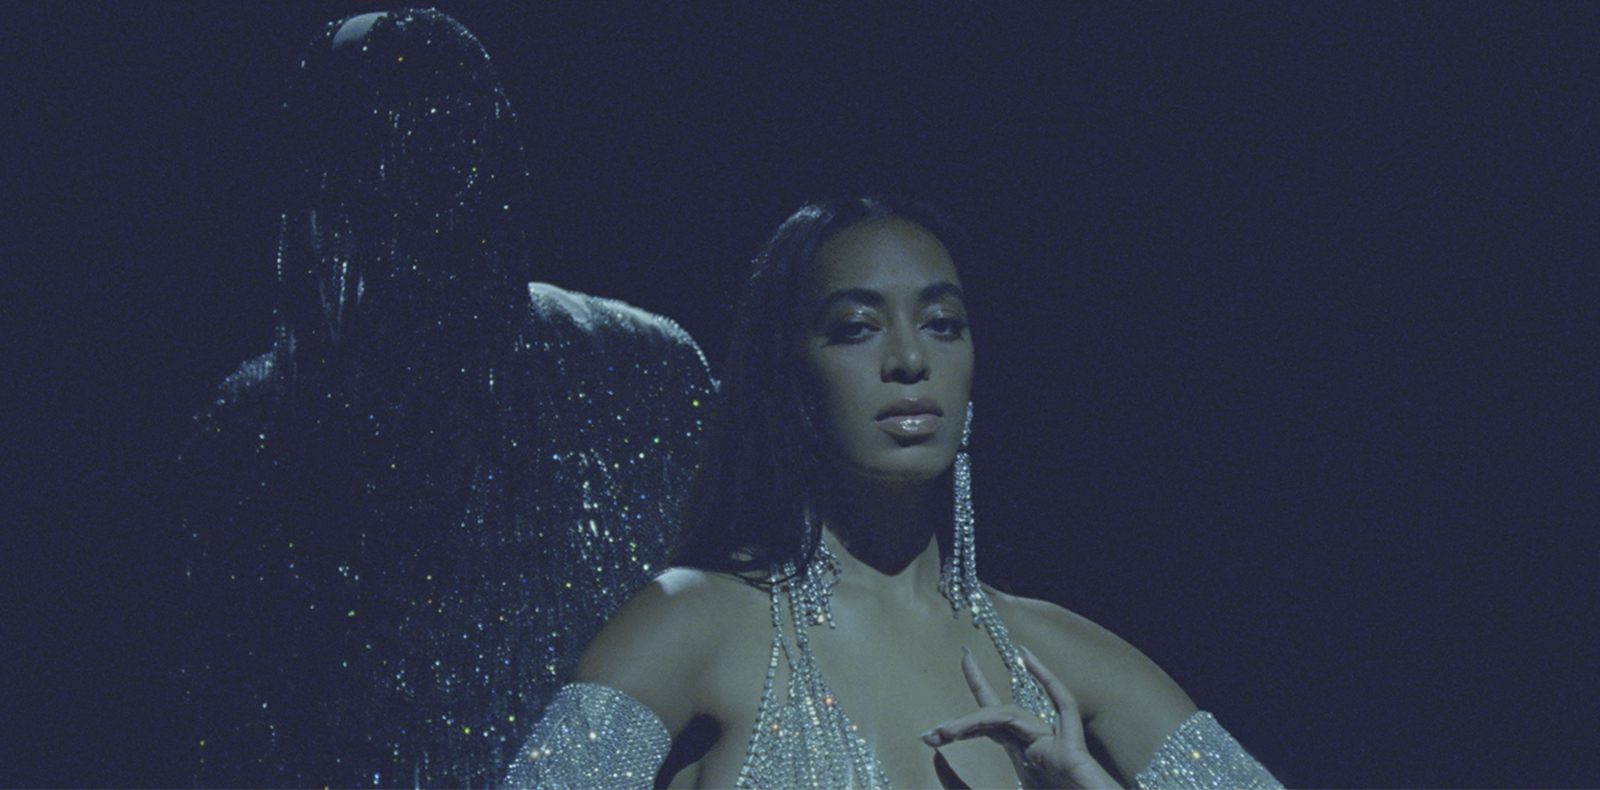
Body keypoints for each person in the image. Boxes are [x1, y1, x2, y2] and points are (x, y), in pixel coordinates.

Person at [505, 197, 1281, 789]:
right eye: (856, 327)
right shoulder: (693, 621)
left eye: (942, 324)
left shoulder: (1062, 656)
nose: (909, 359)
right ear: (790, 378)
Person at [174, 9, 713, 787]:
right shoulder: (246, 440)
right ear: (324, 192)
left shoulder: (642, 372)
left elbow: (744, 636)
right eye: (387, 169)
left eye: (454, 158)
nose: (432, 208)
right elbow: (231, 733)